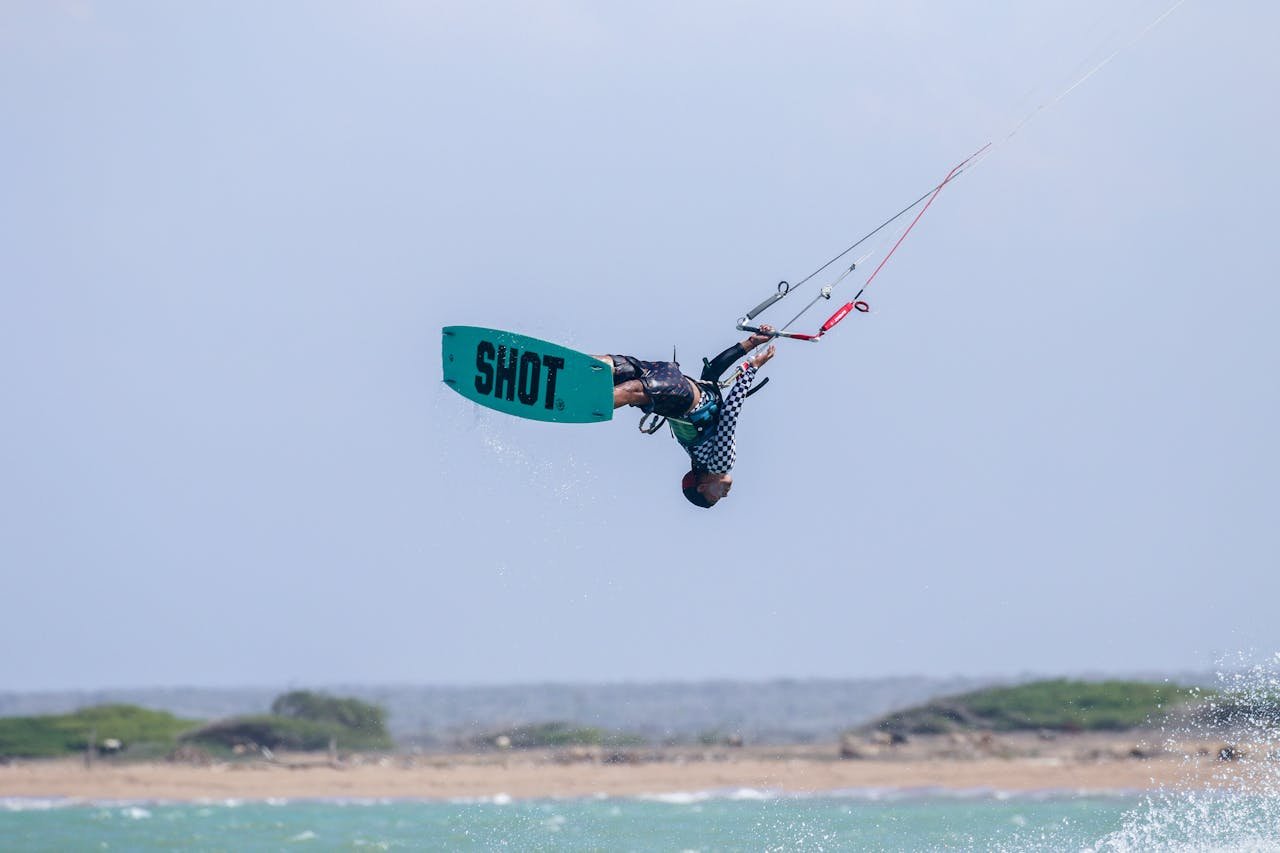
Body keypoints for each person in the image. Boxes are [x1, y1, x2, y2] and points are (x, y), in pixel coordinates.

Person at [596, 326, 777, 508]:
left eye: (716, 497)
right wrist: (751, 347)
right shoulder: (704, 459)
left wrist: (752, 364)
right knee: (629, 382)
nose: (725, 495)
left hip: (678, 388)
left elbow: (729, 413)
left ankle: (589, 389)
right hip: (675, 391)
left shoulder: (720, 465)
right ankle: (591, 392)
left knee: (619, 370)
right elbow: (711, 375)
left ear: (702, 487)